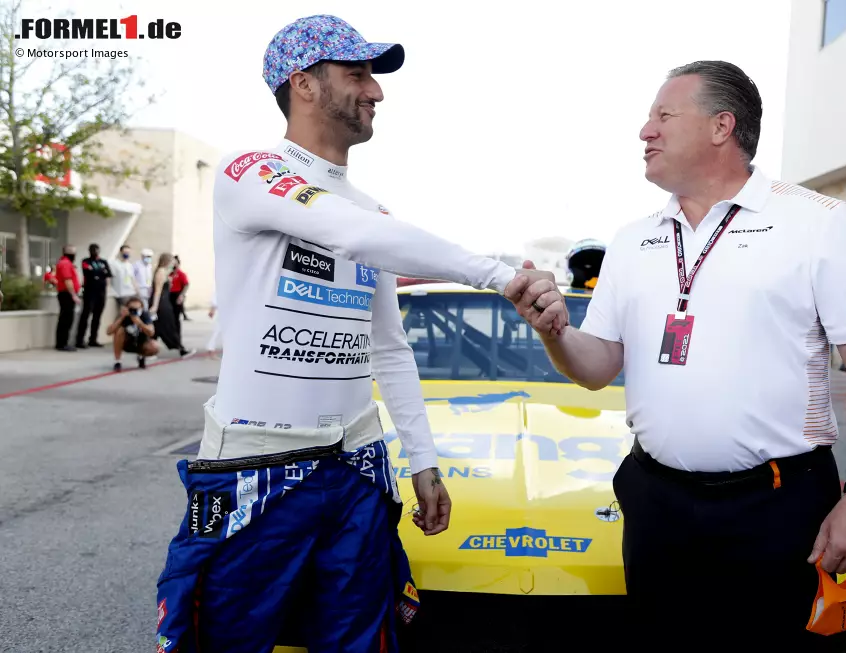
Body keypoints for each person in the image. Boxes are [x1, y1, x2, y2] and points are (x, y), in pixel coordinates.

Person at [153, 15, 552, 653]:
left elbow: (389, 348)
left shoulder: (373, 213)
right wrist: (500, 276)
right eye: (357, 73)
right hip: (258, 471)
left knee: (362, 643)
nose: (377, 91)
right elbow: (348, 233)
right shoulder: (250, 172)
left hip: (358, 469)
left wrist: (422, 461)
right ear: (303, 84)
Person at [504, 60, 846, 650]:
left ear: (723, 126)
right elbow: (598, 368)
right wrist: (554, 330)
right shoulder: (633, 237)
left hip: (777, 506)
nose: (646, 131)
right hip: (656, 501)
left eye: (664, 115)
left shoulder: (814, 222)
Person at [149, 253, 192, 358]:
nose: (173, 263)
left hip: (165, 301)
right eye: (172, 261)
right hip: (161, 303)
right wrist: (155, 305)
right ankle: (180, 348)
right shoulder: (160, 272)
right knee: (167, 326)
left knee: (158, 327)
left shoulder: (165, 272)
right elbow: (158, 291)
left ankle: (149, 350)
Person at [105, 295, 159, 371]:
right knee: (120, 331)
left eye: (137, 309)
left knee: (155, 346)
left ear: (141, 308)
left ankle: (141, 357)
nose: (134, 311)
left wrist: (140, 323)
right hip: (126, 343)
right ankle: (117, 361)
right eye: (132, 309)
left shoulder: (144, 315)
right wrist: (121, 318)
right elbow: (108, 332)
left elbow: (151, 332)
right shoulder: (124, 315)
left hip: (140, 342)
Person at [76, 243, 112, 348]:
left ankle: (93, 339)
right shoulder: (85, 261)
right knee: (85, 315)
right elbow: (88, 272)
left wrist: (97, 272)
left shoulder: (103, 262)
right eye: (93, 250)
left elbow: (108, 273)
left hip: (101, 292)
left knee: (97, 317)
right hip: (89, 292)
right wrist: (100, 272)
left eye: (97, 250)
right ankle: (80, 340)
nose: (95, 252)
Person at [54, 244, 81, 351]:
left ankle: (63, 342)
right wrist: (73, 295)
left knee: (66, 319)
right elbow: (67, 280)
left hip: (67, 294)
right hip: (66, 294)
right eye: (73, 252)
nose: (74, 254)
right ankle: (62, 343)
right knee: (66, 319)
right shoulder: (65, 263)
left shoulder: (67, 263)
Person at [108, 244, 138, 312]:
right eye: (125, 252)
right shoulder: (114, 264)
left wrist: (136, 290)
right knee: (128, 310)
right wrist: (108, 288)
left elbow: (132, 279)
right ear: (121, 252)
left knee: (137, 308)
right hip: (121, 293)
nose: (127, 254)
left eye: (128, 253)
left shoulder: (129, 265)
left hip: (131, 292)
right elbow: (109, 277)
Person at [169, 255, 191, 323]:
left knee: (176, 314)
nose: (174, 266)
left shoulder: (181, 274)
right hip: (169, 294)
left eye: (176, 264)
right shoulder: (169, 274)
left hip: (177, 294)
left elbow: (186, 284)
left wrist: (182, 295)